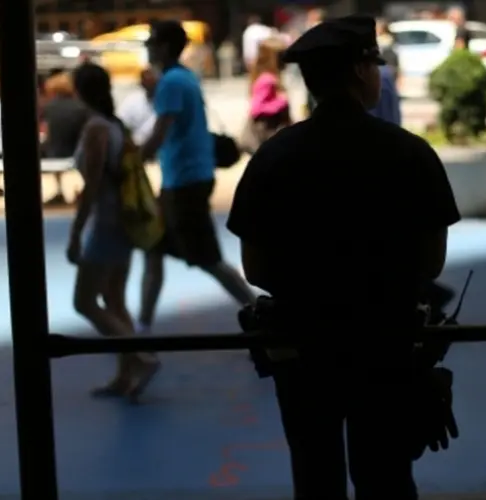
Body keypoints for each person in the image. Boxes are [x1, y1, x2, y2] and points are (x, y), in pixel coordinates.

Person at [226, 15, 461, 499]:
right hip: (387, 343)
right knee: (386, 476)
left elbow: (255, 268)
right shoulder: (410, 153)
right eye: (375, 64)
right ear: (359, 70)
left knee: (315, 478)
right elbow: (431, 262)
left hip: (302, 347)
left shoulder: (273, 157)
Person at [137, 20, 257, 334]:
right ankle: (141, 329)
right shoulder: (182, 78)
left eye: (151, 42)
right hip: (184, 178)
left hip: (184, 181)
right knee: (154, 250)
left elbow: (161, 131)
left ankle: (259, 314)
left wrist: (131, 161)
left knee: (207, 258)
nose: (148, 48)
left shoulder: (171, 83)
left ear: (162, 47)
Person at [68, 62, 159, 402]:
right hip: (122, 222)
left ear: (80, 91)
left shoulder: (96, 128)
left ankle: (142, 358)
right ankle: (125, 374)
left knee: (84, 301)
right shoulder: (114, 124)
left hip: (105, 223)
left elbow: (92, 185)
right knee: (114, 299)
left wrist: (76, 233)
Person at [41, 71, 90, 204]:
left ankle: (59, 191)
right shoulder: (81, 107)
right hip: (75, 153)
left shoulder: (48, 108)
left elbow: (46, 132)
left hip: (53, 153)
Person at [241, 37, 292, 154]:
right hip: (267, 132)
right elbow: (256, 108)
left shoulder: (270, 77)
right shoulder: (267, 80)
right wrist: (280, 102)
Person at [117, 68, 158, 146]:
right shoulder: (132, 101)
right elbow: (121, 127)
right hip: (136, 148)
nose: (149, 85)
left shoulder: (168, 103)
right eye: (146, 81)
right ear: (141, 83)